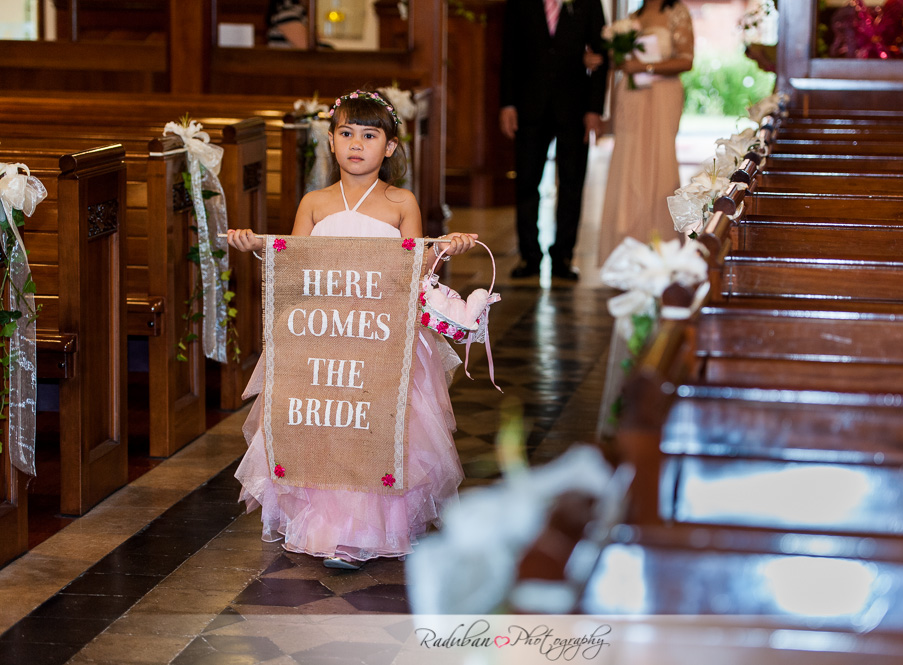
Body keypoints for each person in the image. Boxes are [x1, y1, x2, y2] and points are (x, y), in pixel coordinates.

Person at [227, 89, 478, 570]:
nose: (356, 144)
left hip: (381, 334)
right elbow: (295, 266)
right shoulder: (315, 203)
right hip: (326, 333)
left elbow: (414, 270)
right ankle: (325, 526)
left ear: (390, 148)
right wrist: (257, 243)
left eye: (369, 135)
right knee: (326, 423)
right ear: (331, 141)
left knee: (376, 426)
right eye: (346, 134)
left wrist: (446, 248)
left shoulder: (401, 202)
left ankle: (373, 527)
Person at [499, 0, 609, 281]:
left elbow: (601, 55)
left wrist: (594, 109)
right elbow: (509, 52)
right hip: (529, 104)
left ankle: (563, 256)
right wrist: (507, 104)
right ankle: (529, 256)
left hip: (574, 106)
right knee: (526, 182)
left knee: (572, 183)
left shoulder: (588, 3)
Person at [589, 0, 694, 265]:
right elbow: (620, 63)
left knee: (660, 163)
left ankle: (659, 248)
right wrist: (614, 59)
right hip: (631, 97)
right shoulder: (633, 16)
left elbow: (686, 60)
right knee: (627, 164)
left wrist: (645, 67)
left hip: (661, 95)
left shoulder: (676, 12)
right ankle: (625, 245)